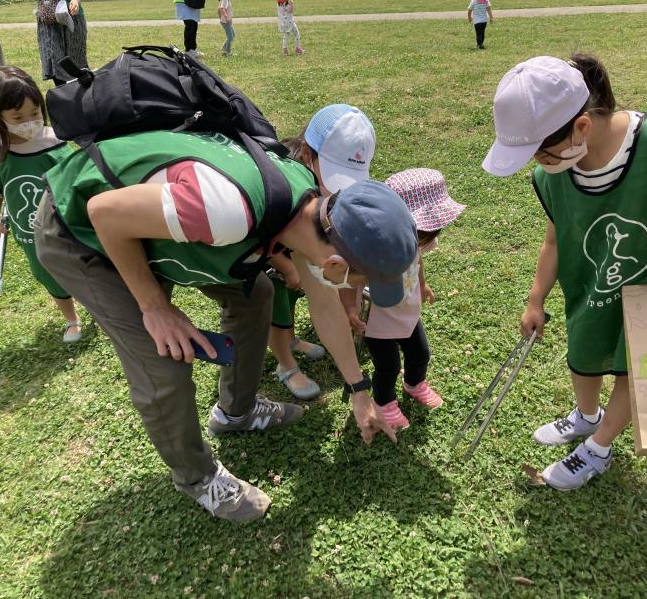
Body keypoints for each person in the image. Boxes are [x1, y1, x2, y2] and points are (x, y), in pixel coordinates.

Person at [34, 126, 417, 521]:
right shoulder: (229, 213)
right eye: (361, 283)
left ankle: (237, 412)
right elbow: (104, 213)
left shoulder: (306, 204)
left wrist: (359, 391)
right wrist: (155, 307)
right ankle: (197, 478)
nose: (359, 291)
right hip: (76, 229)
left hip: (141, 222)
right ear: (336, 264)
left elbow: (324, 306)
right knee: (163, 356)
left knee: (256, 293)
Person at [482, 54, 647, 490]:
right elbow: (555, 238)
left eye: (541, 154)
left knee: (636, 363)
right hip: (599, 279)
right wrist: (535, 297)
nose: (537, 165)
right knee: (585, 346)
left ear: (581, 127)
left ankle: (598, 448)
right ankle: (586, 416)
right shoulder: (556, 173)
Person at [267, 104, 377, 400]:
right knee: (273, 306)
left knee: (291, 299)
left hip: (291, 250)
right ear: (306, 154)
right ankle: (285, 365)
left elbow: (324, 297)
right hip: (262, 263)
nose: (335, 189)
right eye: (333, 175)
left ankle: (291, 340)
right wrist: (285, 264)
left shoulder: (317, 193)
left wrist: (357, 387)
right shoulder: (280, 190)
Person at [342, 169, 465, 429]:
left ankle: (414, 383)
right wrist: (351, 309)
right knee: (387, 366)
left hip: (408, 312)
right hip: (377, 321)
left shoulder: (416, 242)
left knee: (420, 353)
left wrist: (422, 285)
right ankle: (384, 403)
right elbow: (348, 281)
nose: (422, 242)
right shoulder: (374, 246)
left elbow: (417, 262)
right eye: (422, 233)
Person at [0, 66, 83, 343]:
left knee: (81, 265)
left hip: (65, 224)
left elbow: (74, 178)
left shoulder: (55, 139)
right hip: (30, 232)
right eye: (17, 117)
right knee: (47, 272)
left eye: (34, 114)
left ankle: (100, 307)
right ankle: (71, 319)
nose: (28, 122)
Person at [36, 0, 88, 85]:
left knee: (75, 64)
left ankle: (77, 94)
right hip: (48, 18)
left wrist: (75, 0)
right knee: (54, 66)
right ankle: (63, 94)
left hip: (70, 17)